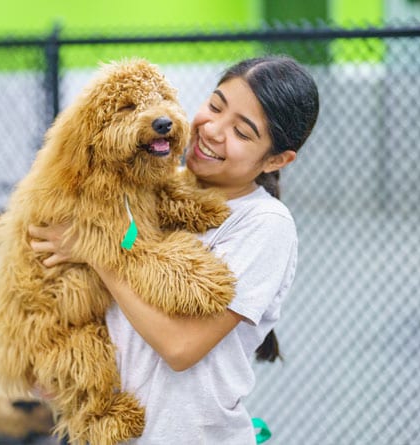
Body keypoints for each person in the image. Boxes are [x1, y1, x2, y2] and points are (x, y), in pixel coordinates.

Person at [28, 55, 319, 444]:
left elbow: (180, 347)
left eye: (242, 132)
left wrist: (94, 250)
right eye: (215, 106)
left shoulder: (264, 225)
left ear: (277, 159)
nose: (213, 130)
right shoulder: (151, 182)